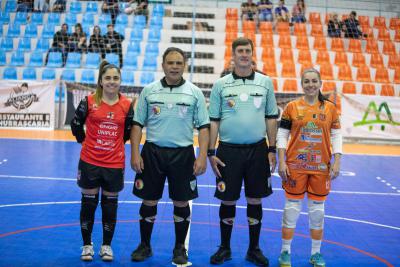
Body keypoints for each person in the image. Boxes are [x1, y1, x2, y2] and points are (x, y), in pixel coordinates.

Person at [130, 47, 210, 265]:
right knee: (149, 199)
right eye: (170, 62)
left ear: (184, 65)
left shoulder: (194, 92)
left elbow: (204, 127)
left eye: (179, 63)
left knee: (181, 201)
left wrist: (202, 155)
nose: (174, 66)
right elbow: (137, 124)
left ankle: (179, 248)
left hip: (183, 154)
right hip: (152, 152)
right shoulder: (149, 90)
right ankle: (144, 245)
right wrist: (135, 152)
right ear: (163, 65)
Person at [208, 37, 278, 267]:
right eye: (240, 51)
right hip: (228, 151)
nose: (244, 54)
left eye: (248, 50)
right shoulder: (221, 85)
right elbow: (214, 121)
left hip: (257, 150)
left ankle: (254, 249)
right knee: (227, 199)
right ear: (233, 55)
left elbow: (270, 118)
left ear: (252, 53)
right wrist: (211, 151)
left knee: (254, 198)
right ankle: (225, 248)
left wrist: (271, 148)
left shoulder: (265, 82)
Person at [276, 68, 342, 267]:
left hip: (321, 167)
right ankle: (285, 252)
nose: (311, 84)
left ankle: (316, 253)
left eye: (314, 81)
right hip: (295, 165)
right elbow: (282, 135)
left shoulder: (330, 108)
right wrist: (281, 160)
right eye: (307, 81)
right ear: (302, 84)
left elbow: (337, 135)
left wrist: (337, 160)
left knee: (317, 212)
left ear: (320, 83)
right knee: (291, 210)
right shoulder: (292, 107)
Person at [70, 60, 134, 262]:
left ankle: (106, 246)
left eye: (115, 78)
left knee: (109, 206)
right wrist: (84, 141)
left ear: (120, 81)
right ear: (100, 81)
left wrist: (115, 145)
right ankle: (87, 245)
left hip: (114, 164)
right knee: (88, 205)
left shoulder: (127, 104)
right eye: (108, 78)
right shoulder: (89, 101)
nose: (112, 82)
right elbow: (76, 124)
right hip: (90, 161)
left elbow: (128, 131)